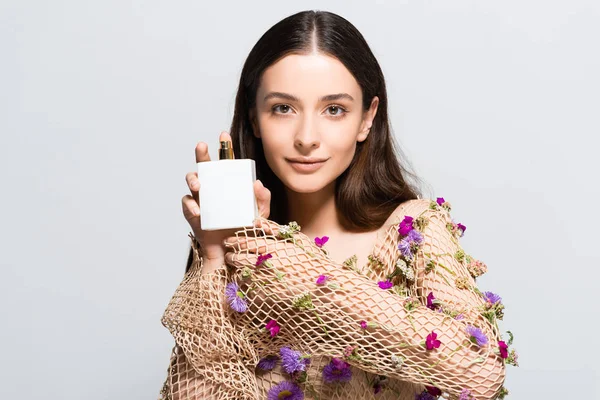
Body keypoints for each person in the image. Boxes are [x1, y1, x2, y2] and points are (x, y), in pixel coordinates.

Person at [159, 10, 514, 400]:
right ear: (254, 119)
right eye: (283, 108)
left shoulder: (413, 232)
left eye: (334, 110)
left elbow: (481, 373)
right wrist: (215, 260)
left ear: (367, 119)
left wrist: (305, 276)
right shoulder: (238, 249)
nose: (307, 137)